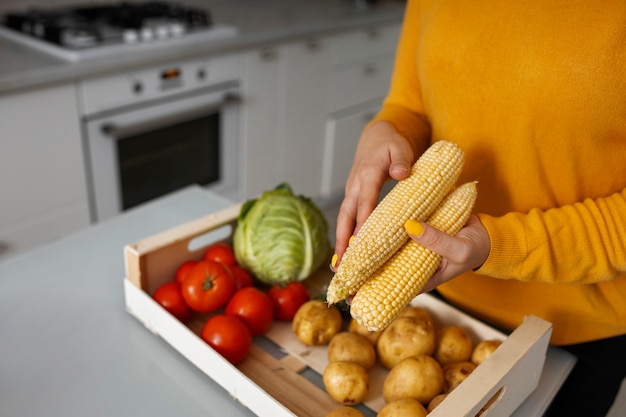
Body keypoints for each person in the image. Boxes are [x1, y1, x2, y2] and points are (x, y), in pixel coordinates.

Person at [331, 1, 626, 416]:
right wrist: (385, 130)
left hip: (574, 330)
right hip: (436, 297)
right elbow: (412, 103)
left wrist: (498, 244)